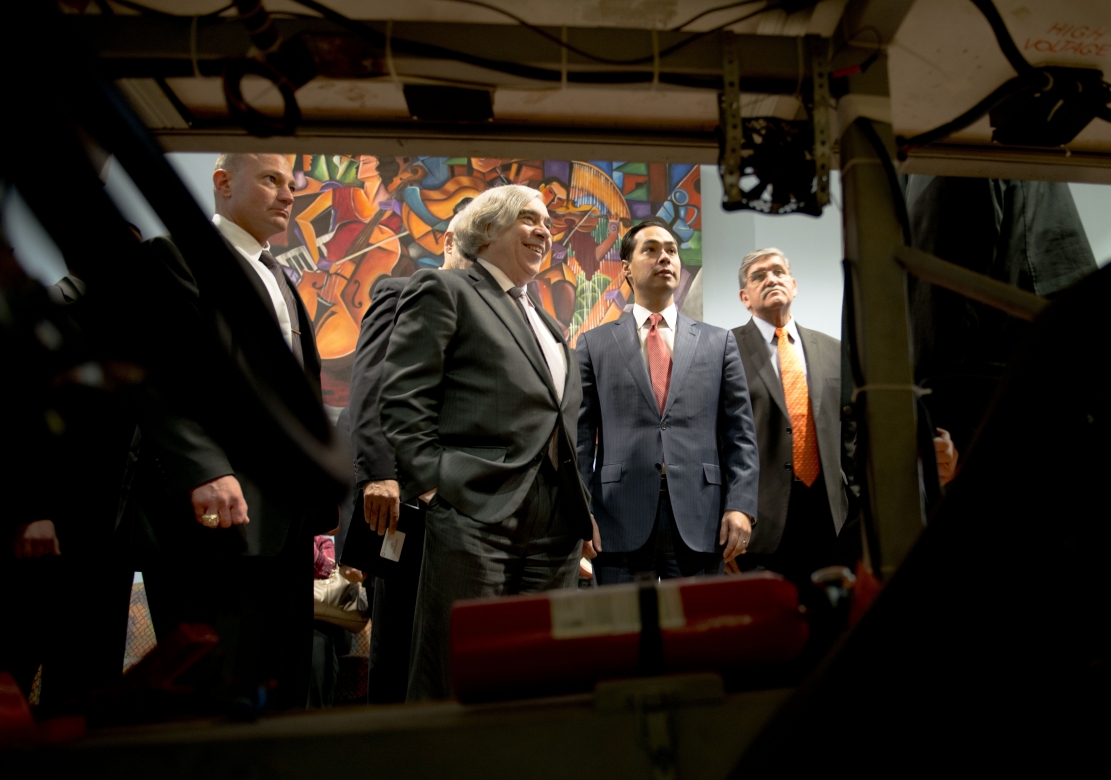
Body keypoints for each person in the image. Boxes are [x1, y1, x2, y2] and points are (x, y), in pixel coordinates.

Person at [380, 184, 600, 701]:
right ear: (488, 228)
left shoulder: (549, 322)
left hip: (555, 527)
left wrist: (579, 507)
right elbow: (403, 398)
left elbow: (561, 422)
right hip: (474, 512)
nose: (545, 231)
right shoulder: (445, 289)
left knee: (542, 678)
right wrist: (436, 489)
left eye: (548, 223)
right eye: (529, 219)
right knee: (455, 675)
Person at [136, 152, 332, 710]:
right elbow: (159, 373)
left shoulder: (281, 278)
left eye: (291, 183)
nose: (289, 195)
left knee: (283, 688)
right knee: (215, 691)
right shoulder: (176, 256)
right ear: (223, 182)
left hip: (287, 523)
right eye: (271, 179)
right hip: (217, 516)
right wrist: (208, 469)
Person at [576, 218, 759, 584]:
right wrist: (582, 514)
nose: (665, 257)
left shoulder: (718, 342)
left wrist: (740, 505)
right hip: (617, 518)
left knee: (698, 636)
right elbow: (580, 439)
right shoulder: (593, 345)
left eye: (672, 251)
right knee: (624, 635)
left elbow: (740, 434)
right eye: (651, 250)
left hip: (701, 517)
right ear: (626, 268)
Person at [347, 213, 470, 703]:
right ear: (447, 241)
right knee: (398, 641)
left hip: (460, 510)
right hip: (400, 505)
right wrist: (379, 474)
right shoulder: (399, 292)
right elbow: (371, 385)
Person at [906, 176, 1098, 457]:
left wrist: (940, 428)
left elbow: (945, 305)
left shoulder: (949, 160)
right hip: (1049, 394)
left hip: (999, 409)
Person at [731, 248, 858, 582]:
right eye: (759, 276)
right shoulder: (724, 350)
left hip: (833, 520)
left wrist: (857, 502)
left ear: (794, 284)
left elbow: (851, 431)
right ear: (745, 297)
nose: (771, 278)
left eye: (778, 271)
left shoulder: (834, 349)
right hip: (759, 527)